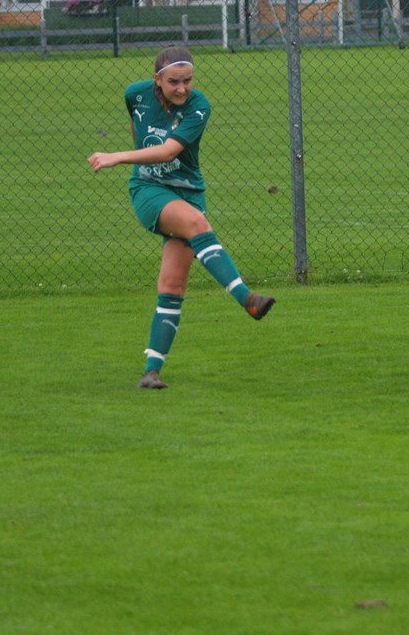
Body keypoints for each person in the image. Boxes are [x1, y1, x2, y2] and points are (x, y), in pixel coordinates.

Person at [88, 45, 275, 390]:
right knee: (198, 225)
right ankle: (247, 299)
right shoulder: (135, 94)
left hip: (189, 193)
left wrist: (118, 156)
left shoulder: (199, 106)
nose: (182, 88)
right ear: (157, 80)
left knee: (172, 286)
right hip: (149, 190)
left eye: (188, 80)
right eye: (174, 81)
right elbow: (138, 127)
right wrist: (132, 159)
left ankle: (151, 371)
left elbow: (169, 151)